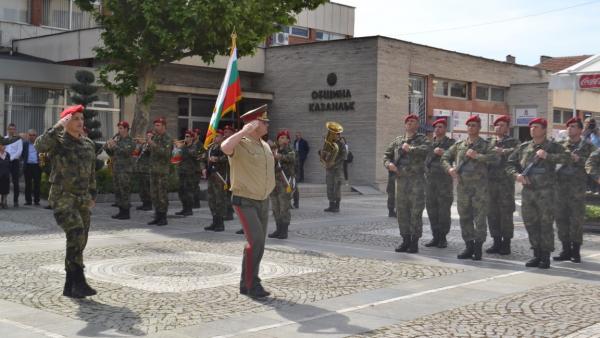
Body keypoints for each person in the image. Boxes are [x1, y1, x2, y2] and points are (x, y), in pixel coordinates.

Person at [34, 105, 98, 298]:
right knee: (76, 232)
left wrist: (93, 195)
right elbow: (39, 145)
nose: (80, 122)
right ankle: (79, 280)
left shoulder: (88, 144)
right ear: (66, 122)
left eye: (81, 118)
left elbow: (92, 172)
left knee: (80, 239)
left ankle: (70, 284)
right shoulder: (58, 142)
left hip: (83, 198)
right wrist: (57, 127)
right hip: (63, 196)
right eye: (75, 118)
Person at [221, 104, 275, 299]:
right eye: (264, 121)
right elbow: (224, 147)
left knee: (257, 243)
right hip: (245, 200)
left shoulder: (265, 145)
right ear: (253, 123)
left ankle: (246, 283)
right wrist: (243, 131)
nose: (268, 124)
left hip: (262, 199)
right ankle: (253, 284)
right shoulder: (240, 143)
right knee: (257, 240)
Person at [506, 118, 569, 269]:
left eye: (536, 127)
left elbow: (568, 158)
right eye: (531, 127)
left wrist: (548, 156)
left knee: (545, 224)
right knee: (530, 224)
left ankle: (545, 257)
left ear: (544, 129)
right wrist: (517, 175)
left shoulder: (553, 146)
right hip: (528, 192)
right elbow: (509, 163)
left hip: (546, 193)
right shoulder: (524, 147)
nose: (532, 129)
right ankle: (536, 254)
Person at [442, 115, 495, 261]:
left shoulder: (485, 145)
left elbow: (495, 158)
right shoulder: (459, 145)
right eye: (469, 125)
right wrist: (450, 169)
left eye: (474, 125)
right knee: (464, 217)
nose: (471, 128)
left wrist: (477, 155)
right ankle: (469, 245)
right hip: (463, 187)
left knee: (479, 218)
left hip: (480, 188)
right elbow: (445, 157)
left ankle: (478, 247)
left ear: (479, 128)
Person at [383, 114, 431, 254]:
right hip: (401, 181)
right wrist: (388, 164)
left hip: (416, 181)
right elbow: (386, 154)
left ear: (417, 125)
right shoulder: (398, 140)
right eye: (408, 121)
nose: (410, 123)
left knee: (415, 212)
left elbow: (427, 150)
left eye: (413, 121)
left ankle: (414, 242)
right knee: (402, 212)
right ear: (405, 124)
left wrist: (411, 149)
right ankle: (405, 240)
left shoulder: (422, 139)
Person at [553, 118, 595, 263]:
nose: (570, 129)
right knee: (561, 220)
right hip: (560, 189)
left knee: (576, 221)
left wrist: (579, 159)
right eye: (568, 126)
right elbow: (552, 160)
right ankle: (565, 250)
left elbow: (595, 163)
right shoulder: (559, 145)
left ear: (580, 130)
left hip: (577, 190)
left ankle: (575, 251)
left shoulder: (588, 146)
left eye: (573, 126)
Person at [485, 115, 520, 255]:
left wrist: (503, 151)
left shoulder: (513, 142)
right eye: (497, 125)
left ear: (507, 128)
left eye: (502, 125)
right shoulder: (488, 142)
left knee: (505, 214)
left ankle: (506, 243)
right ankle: (496, 241)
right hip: (490, 183)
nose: (499, 127)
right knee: (492, 214)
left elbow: (519, 152)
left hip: (505, 184)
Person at [424, 118, 455, 248]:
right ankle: (435, 236)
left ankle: (443, 237)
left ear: (445, 129)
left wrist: (444, 153)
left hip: (444, 182)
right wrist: (433, 153)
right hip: (430, 182)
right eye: (436, 127)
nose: (437, 129)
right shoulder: (429, 144)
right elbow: (425, 162)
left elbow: (456, 157)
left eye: (441, 127)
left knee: (443, 211)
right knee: (432, 210)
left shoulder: (451, 143)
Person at [104, 121, 135, 220]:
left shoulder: (130, 141)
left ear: (126, 129)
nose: (119, 130)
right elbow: (113, 154)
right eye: (119, 128)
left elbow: (127, 152)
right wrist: (108, 147)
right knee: (118, 191)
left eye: (121, 128)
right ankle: (121, 211)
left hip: (125, 170)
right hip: (117, 169)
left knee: (124, 191)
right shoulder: (118, 140)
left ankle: (126, 213)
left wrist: (115, 146)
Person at [269, 129, 296, 239]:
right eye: (281, 138)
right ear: (278, 139)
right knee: (275, 207)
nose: (284, 140)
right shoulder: (274, 149)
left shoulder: (290, 149)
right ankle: (278, 229)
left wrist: (280, 156)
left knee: (284, 207)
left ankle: (284, 231)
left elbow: (292, 157)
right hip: (274, 182)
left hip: (285, 182)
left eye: (286, 138)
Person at [147, 117, 173, 226]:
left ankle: (163, 217)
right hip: (153, 170)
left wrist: (152, 143)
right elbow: (151, 152)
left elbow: (165, 153)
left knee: (162, 195)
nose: (155, 127)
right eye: (155, 125)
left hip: (162, 171)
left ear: (163, 126)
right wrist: (148, 144)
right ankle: (157, 216)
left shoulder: (167, 138)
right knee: (154, 194)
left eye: (158, 125)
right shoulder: (156, 137)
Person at [203, 130, 228, 231]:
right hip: (211, 176)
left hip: (219, 177)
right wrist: (203, 168)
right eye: (214, 136)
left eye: (218, 136)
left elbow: (228, 158)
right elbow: (203, 159)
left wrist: (217, 159)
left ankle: (220, 223)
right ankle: (214, 221)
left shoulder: (225, 147)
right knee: (211, 200)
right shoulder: (210, 147)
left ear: (222, 137)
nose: (215, 138)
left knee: (219, 200)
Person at [175, 130, 202, 217]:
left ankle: (189, 209)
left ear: (191, 138)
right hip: (182, 171)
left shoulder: (194, 146)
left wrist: (182, 147)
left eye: (187, 136)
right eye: (185, 136)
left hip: (190, 173)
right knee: (181, 191)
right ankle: (184, 208)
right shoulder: (184, 146)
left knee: (188, 191)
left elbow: (193, 154)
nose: (185, 138)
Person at [322, 125, 347, 212]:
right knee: (329, 186)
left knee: (336, 187)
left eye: (336, 134)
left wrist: (334, 163)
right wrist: (323, 156)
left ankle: (337, 206)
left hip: (337, 169)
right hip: (329, 169)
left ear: (339, 135)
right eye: (333, 134)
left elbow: (344, 156)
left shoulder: (341, 144)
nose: (334, 136)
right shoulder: (329, 143)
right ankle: (331, 204)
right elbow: (324, 154)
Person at [134, 130, 154, 211]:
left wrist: (148, 142)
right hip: (141, 169)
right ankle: (144, 203)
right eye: (147, 135)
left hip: (147, 170)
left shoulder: (152, 145)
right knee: (142, 188)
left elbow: (150, 151)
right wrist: (139, 144)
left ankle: (148, 204)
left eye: (150, 136)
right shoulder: (144, 144)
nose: (147, 137)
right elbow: (137, 153)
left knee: (147, 189)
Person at [21, 129, 42, 206]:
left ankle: (36, 200)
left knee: (37, 184)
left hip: (37, 166)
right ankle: (28, 200)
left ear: (36, 136)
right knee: (28, 184)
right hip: (28, 165)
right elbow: (22, 154)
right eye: (30, 135)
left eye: (33, 135)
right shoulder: (24, 144)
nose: (32, 137)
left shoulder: (39, 144)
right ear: (27, 135)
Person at [4, 123, 23, 207]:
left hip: (14, 162)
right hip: (5, 163)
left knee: (15, 182)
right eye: (10, 129)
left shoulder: (18, 140)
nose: (11, 131)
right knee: (5, 182)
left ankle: (16, 201)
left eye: (13, 129)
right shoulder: (4, 139)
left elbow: (19, 151)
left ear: (15, 130)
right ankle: (4, 201)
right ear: (7, 130)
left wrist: (10, 158)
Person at [223, 124, 235, 220]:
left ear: (232, 133)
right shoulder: (224, 143)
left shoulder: (234, 143)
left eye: (227, 132)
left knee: (232, 194)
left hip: (234, 172)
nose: (225, 134)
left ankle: (230, 212)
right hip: (225, 172)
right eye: (224, 132)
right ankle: (227, 211)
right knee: (226, 194)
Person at [0, 143, 10, 208]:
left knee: (5, 189)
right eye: (1, 145)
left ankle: (4, 202)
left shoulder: (8, 155)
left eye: (4, 145)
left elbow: (9, 164)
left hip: (6, 175)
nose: (3, 147)